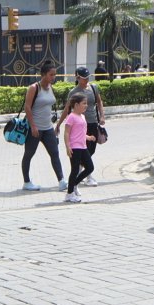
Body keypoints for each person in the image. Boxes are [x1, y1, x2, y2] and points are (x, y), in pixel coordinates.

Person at [21, 62, 65, 192]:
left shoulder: (51, 87)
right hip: (35, 129)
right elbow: (27, 107)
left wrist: (55, 125)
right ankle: (27, 182)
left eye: (54, 75)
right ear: (43, 75)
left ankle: (61, 181)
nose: (53, 77)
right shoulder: (34, 88)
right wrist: (33, 126)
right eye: (51, 75)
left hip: (48, 128)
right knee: (29, 154)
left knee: (55, 153)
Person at [63, 67, 105, 186]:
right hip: (79, 126)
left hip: (92, 122)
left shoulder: (93, 88)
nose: (86, 80)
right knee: (84, 150)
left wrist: (102, 116)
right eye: (83, 78)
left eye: (87, 77)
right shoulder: (74, 92)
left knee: (91, 149)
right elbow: (67, 109)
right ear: (77, 77)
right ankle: (87, 175)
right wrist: (60, 124)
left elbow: (99, 102)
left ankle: (81, 171)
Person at [59, 94, 96, 203]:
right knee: (75, 170)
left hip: (83, 146)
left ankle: (74, 184)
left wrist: (88, 137)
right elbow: (66, 133)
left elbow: (81, 132)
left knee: (90, 167)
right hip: (74, 147)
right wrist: (67, 146)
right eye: (84, 103)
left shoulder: (82, 116)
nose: (86, 105)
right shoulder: (71, 116)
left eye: (86, 103)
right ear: (76, 105)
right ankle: (69, 194)